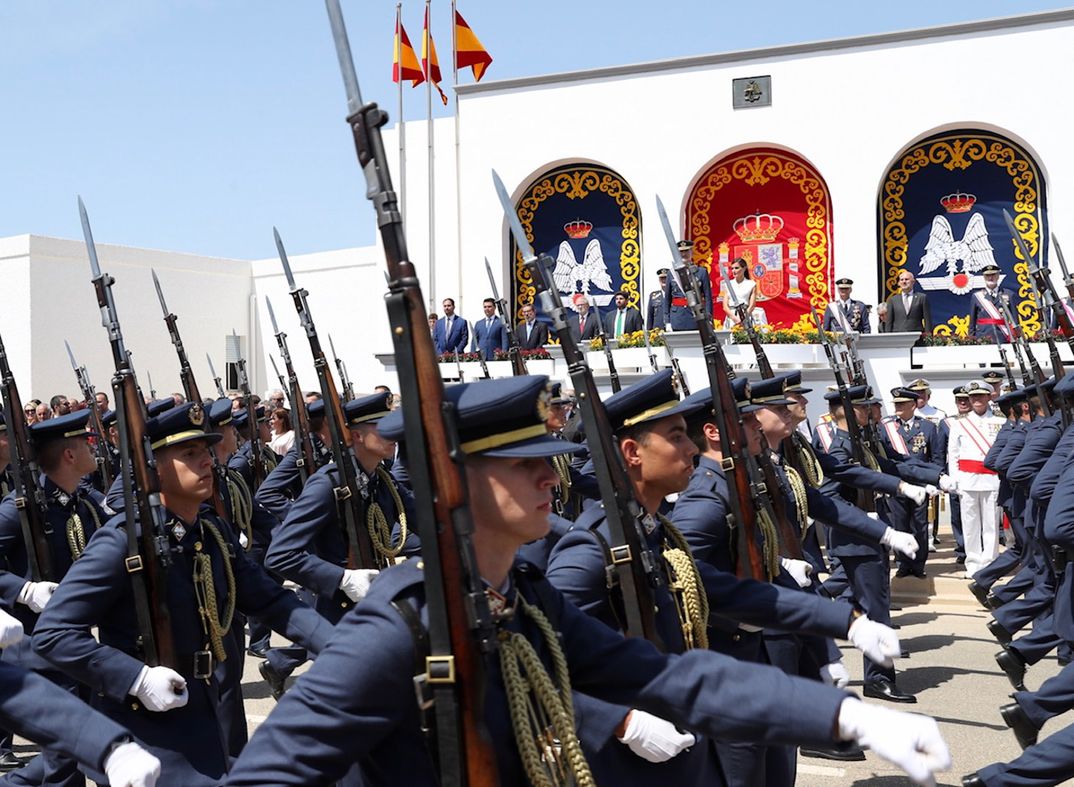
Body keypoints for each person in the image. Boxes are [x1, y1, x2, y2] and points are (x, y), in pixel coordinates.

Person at [223, 375, 950, 787]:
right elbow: (269, 774)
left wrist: (847, 717)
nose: (550, 476)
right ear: (452, 482)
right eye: (523, 464)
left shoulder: (519, 601)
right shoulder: (403, 623)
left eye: (550, 457)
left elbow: (676, 675)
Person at [32, 402, 334, 787]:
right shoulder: (124, 543)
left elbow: (272, 601)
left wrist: (338, 643)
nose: (207, 462)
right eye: (189, 455)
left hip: (206, 714)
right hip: (146, 732)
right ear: (154, 468)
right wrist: (136, 677)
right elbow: (53, 634)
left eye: (205, 451)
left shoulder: (212, 533)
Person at [0, 409, 110, 787]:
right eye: (85, 443)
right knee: (67, 751)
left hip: (77, 641)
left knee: (82, 743)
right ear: (68, 455)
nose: (93, 448)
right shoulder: (19, 509)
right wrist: (23, 590)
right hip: (37, 644)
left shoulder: (81, 503)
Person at [880, 387, 943, 578]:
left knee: (920, 525)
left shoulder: (928, 427)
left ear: (913, 405)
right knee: (899, 524)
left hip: (919, 485)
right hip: (896, 484)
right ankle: (902, 563)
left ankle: (918, 564)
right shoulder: (886, 427)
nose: (898, 407)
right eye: (896, 404)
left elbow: (937, 457)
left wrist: (935, 480)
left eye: (902, 404)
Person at [947, 380, 1005, 577]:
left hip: (992, 479)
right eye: (973, 396)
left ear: (989, 397)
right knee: (970, 525)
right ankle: (972, 564)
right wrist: (955, 480)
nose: (977, 399)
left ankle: (990, 564)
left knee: (991, 525)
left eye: (980, 395)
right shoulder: (959, 423)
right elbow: (953, 455)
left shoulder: (1000, 422)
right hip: (968, 479)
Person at [665, 240, 713, 331]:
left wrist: (709, 317)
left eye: (686, 251)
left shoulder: (701, 272)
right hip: (678, 318)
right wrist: (667, 321)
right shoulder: (672, 274)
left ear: (692, 252)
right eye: (681, 252)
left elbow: (708, 298)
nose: (684, 254)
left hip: (696, 316)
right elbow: (667, 300)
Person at [720, 257, 758, 328]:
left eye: (736, 268)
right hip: (731, 318)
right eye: (732, 268)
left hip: (745, 316)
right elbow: (725, 306)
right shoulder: (728, 284)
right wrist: (734, 318)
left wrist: (743, 318)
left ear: (744, 268)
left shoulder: (751, 284)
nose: (734, 271)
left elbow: (752, 305)